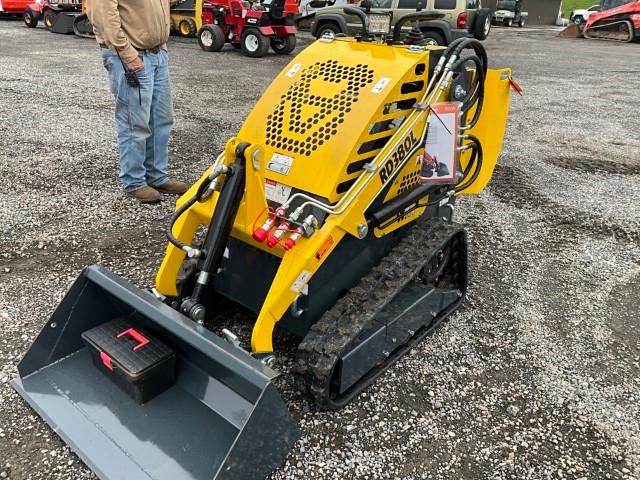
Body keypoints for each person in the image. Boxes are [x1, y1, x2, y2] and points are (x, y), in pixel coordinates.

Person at [87, 0, 188, 203]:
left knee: (161, 120)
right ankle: (133, 181)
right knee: (135, 123)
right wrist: (128, 54)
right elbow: (103, 14)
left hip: (157, 54)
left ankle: (156, 176)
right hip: (131, 56)